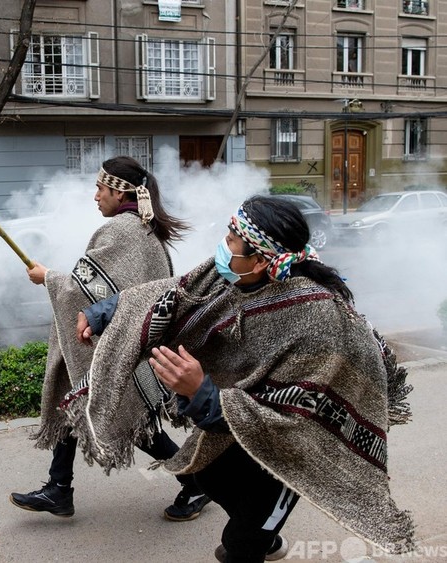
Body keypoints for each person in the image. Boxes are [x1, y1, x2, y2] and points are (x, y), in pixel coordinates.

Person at [73, 195, 414, 561]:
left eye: (233, 236)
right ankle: (263, 535)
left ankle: (256, 536)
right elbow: (170, 292)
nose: (225, 242)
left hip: (298, 447)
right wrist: (101, 313)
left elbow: (294, 420)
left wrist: (201, 392)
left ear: (262, 259)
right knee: (208, 473)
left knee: (238, 545)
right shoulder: (232, 273)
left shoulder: (317, 319)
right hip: (243, 420)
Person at [9, 156, 212, 521]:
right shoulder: (140, 229)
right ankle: (59, 488)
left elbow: (83, 291)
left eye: (100, 188)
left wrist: (47, 277)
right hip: (125, 344)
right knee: (76, 404)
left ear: (120, 193)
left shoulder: (121, 230)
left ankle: (196, 482)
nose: (95, 196)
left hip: (120, 349)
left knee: (132, 424)